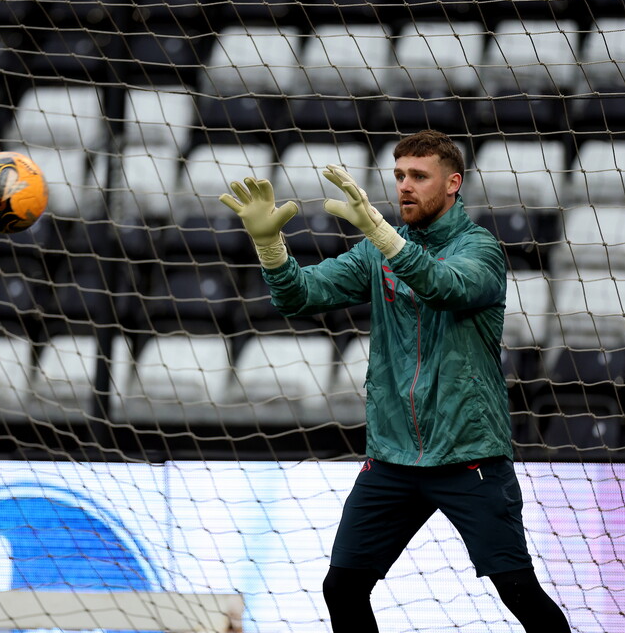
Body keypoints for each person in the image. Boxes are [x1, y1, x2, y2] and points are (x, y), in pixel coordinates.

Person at [219, 130, 570, 633]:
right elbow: (301, 295)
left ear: (453, 184)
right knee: (341, 587)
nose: (405, 186)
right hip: (392, 458)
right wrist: (268, 244)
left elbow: (443, 285)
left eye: (419, 177)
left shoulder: (482, 250)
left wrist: (383, 234)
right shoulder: (377, 251)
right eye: (400, 175)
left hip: (468, 455)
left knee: (517, 589)